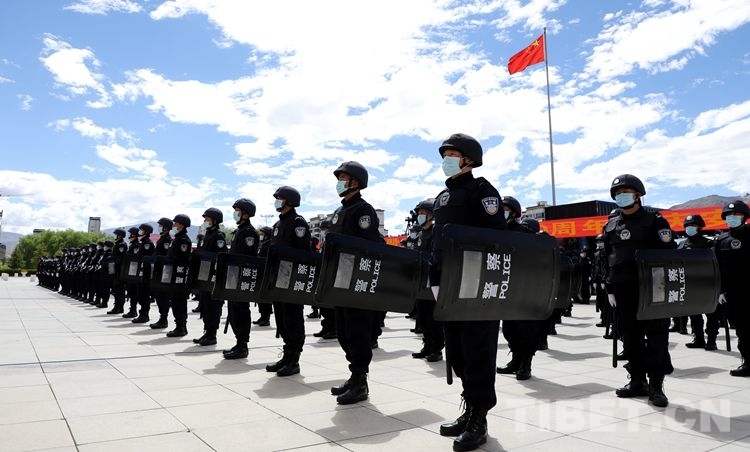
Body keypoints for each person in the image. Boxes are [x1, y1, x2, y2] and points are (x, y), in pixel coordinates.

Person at [430, 133, 505, 452]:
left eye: (452, 154)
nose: (446, 160)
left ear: (469, 159)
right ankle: (469, 406)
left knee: (478, 352)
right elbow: (437, 244)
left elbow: (495, 239)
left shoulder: (483, 192)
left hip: (476, 286)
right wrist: (435, 278)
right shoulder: (442, 197)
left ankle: (479, 419)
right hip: (449, 285)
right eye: (444, 155)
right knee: (458, 352)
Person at [603, 174, 676, 408]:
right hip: (623, 290)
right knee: (630, 338)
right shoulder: (611, 224)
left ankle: (656, 386)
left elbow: (668, 254)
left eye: (625, 192)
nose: (621, 196)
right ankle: (637, 381)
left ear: (638, 195)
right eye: (617, 193)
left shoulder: (655, 221)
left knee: (656, 338)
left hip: (652, 289)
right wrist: (609, 286)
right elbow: (608, 258)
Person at [328, 161, 383, 405]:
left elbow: (367, 247)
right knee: (343, 332)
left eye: (343, 178)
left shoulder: (363, 210)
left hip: (356, 282)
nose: (339, 182)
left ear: (356, 182)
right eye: (339, 178)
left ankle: (361, 382)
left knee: (357, 332)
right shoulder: (341, 211)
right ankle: (354, 376)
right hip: (340, 279)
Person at [264, 186, 311, 377]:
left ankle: (294, 360)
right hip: (278, 278)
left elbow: (303, 253)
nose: (277, 201)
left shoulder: (298, 222)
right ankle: (286, 355)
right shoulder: (278, 224)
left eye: (281, 198)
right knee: (282, 319)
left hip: (292, 280)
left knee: (293, 319)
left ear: (290, 200)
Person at [496, 196, 542, 380]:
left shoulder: (524, 232)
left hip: (525, 288)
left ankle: (526, 363)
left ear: (514, 212)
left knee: (526, 328)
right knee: (509, 329)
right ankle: (515, 360)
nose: (502, 212)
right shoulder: (497, 231)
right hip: (506, 288)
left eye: (505, 209)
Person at [713, 200, 750, 376]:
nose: (732, 217)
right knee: (742, 330)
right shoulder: (721, 241)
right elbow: (717, 268)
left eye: (736, 214)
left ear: (744, 217)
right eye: (728, 215)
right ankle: (748, 363)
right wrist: (720, 290)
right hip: (733, 293)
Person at [223, 198, 260, 360]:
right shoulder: (239, 231)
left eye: (238, 211)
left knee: (241, 311)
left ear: (246, 213)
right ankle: (238, 343)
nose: (235, 213)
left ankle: (243, 345)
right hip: (234, 276)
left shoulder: (249, 232)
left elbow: (248, 258)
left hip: (242, 277)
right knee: (233, 311)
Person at [679, 214, 718, 350]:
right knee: (694, 314)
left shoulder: (709, 244)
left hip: (707, 283)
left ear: (700, 227)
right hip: (689, 284)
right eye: (688, 225)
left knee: (711, 313)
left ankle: (711, 340)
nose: (690, 228)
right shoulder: (682, 244)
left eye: (693, 225)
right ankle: (698, 339)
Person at [411, 198, 443, 362]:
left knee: (432, 318)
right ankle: (427, 345)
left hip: (432, 281)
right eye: (419, 213)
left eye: (423, 213)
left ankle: (437, 349)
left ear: (431, 215)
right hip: (420, 282)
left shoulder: (436, 232)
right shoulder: (420, 234)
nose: (420, 216)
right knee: (422, 316)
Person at [193, 208, 228, 346]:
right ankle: (207, 332)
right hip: (204, 276)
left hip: (213, 277)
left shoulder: (218, 236)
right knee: (206, 306)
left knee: (213, 307)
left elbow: (220, 256)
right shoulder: (207, 235)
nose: (204, 221)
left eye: (207, 219)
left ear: (214, 220)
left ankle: (212, 335)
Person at [166, 214, 193, 338]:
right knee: (175, 301)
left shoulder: (184, 240)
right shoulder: (177, 238)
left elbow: (182, 259)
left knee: (179, 302)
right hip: (174, 275)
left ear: (181, 225)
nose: (173, 225)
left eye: (175, 223)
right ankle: (179, 326)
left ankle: (181, 327)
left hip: (179, 276)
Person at [312, 219, 337, 340]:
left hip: (331, 277)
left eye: (325, 229)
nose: (323, 232)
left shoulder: (334, 241)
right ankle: (326, 328)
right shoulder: (324, 242)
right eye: (322, 230)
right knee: (324, 306)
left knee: (330, 307)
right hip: (323, 275)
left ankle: (333, 329)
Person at [150, 218, 174, 329]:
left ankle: (163, 319)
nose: (159, 227)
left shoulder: (167, 240)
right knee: (159, 296)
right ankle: (162, 318)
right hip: (158, 271)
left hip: (163, 272)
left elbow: (166, 256)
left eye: (161, 226)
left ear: (165, 227)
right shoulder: (162, 239)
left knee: (163, 297)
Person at [132, 223, 155, 324]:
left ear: (146, 231)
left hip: (145, 273)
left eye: (142, 230)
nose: (140, 231)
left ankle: (144, 315)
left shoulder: (147, 244)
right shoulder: (143, 243)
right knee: (141, 294)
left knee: (144, 295)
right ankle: (142, 314)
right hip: (141, 272)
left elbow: (144, 258)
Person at [254, 226, 274, 327]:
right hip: (261, 273)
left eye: (263, 234)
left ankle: (266, 319)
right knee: (260, 298)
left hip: (266, 275)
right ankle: (262, 316)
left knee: (265, 299)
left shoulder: (270, 245)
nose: (261, 235)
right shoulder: (263, 244)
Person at [107, 228, 129, 314]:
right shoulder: (118, 244)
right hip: (116, 270)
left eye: (116, 234)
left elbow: (121, 258)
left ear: (120, 235)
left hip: (120, 270)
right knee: (117, 290)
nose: (115, 236)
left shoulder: (122, 245)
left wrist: (113, 259)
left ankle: (119, 307)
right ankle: (118, 307)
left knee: (120, 290)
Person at [123, 227, 141, 319]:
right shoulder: (132, 245)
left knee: (133, 292)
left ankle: (133, 310)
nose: (130, 236)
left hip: (134, 271)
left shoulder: (136, 245)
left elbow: (135, 258)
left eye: (131, 234)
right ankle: (132, 309)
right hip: (130, 271)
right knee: (130, 291)